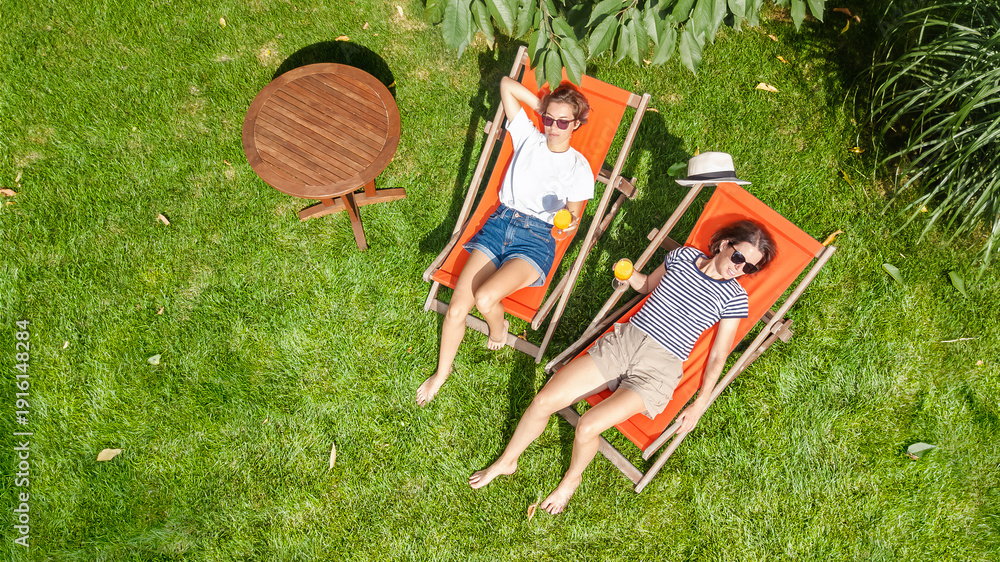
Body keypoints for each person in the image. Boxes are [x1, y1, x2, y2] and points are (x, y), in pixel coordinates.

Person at [469, 220, 777, 514]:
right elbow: (647, 286)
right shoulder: (683, 256)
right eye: (739, 257)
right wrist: (629, 275)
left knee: (588, 425)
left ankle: (571, 479)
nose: (739, 268)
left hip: (658, 369)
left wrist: (700, 404)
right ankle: (507, 461)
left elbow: (719, 356)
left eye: (749, 268)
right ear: (724, 244)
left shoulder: (735, 297)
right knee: (543, 401)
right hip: (624, 343)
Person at [416, 76, 595, 406]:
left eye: (563, 122)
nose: (554, 127)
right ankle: (441, 373)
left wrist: (567, 225)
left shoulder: (578, 168)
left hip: (536, 240)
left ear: (576, 124)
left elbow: (573, 218)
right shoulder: (528, 136)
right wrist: (542, 107)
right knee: (455, 311)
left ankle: (499, 330)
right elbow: (506, 85)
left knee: (485, 299)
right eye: (550, 119)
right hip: (500, 224)